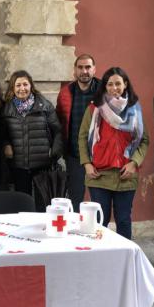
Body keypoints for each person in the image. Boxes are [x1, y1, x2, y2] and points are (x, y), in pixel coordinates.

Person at [78, 67, 149, 239]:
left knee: (123, 220)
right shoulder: (95, 109)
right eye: (110, 84)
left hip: (125, 174)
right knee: (99, 222)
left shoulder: (134, 109)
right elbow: (82, 137)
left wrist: (134, 163)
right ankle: (100, 257)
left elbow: (144, 140)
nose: (114, 88)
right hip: (99, 175)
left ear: (125, 85)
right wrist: (87, 164)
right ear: (104, 86)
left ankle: (123, 258)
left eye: (118, 83)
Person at [2, 70, 62, 200]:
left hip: (42, 165)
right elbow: (2, 133)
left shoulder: (45, 106)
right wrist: (6, 144)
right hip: (18, 167)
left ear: (31, 86)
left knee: (43, 204)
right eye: (18, 85)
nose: (22, 88)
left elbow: (57, 130)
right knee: (23, 204)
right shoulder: (6, 109)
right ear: (13, 88)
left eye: (25, 84)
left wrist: (54, 154)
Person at [56, 54, 101, 211]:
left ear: (94, 69)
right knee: (75, 200)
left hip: (100, 157)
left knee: (99, 202)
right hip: (74, 156)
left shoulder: (104, 91)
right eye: (80, 67)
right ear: (74, 70)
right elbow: (59, 122)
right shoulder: (65, 93)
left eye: (88, 67)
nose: (84, 71)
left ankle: (97, 234)